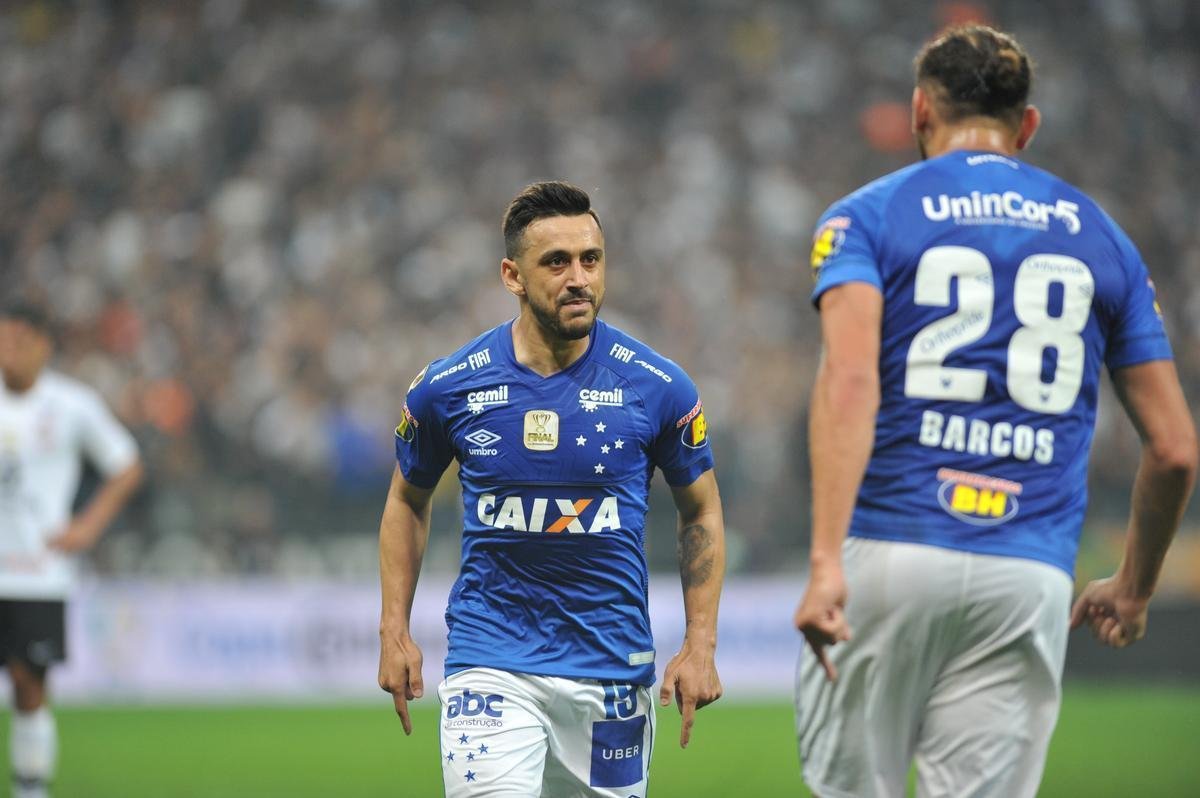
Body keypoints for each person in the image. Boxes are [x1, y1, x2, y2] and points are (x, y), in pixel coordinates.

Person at [793, 24, 1197, 798]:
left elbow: (848, 380)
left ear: (920, 111)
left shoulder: (866, 216)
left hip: (892, 547)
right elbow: (1176, 448)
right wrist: (1135, 586)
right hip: (1029, 569)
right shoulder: (1102, 237)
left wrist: (822, 563)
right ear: (1028, 125)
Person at [377, 180, 725, 796]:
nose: (578, 279)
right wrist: (394, 629)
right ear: (512, 275)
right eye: (557, 262)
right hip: (492, 661)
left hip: (611, 671)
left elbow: (701, 510)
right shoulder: (448, 387)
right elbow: (407, 499)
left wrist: (701, 643)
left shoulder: (658, 387)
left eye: (591, 259)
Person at [0, 302, 143, 798]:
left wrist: (88, 526)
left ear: (44, 345)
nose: (8, 351)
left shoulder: (71, 404)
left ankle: (30, 788)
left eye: (19, 342)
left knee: (29, 686)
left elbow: (126, 465)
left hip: (37, 572)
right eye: (2, 341)